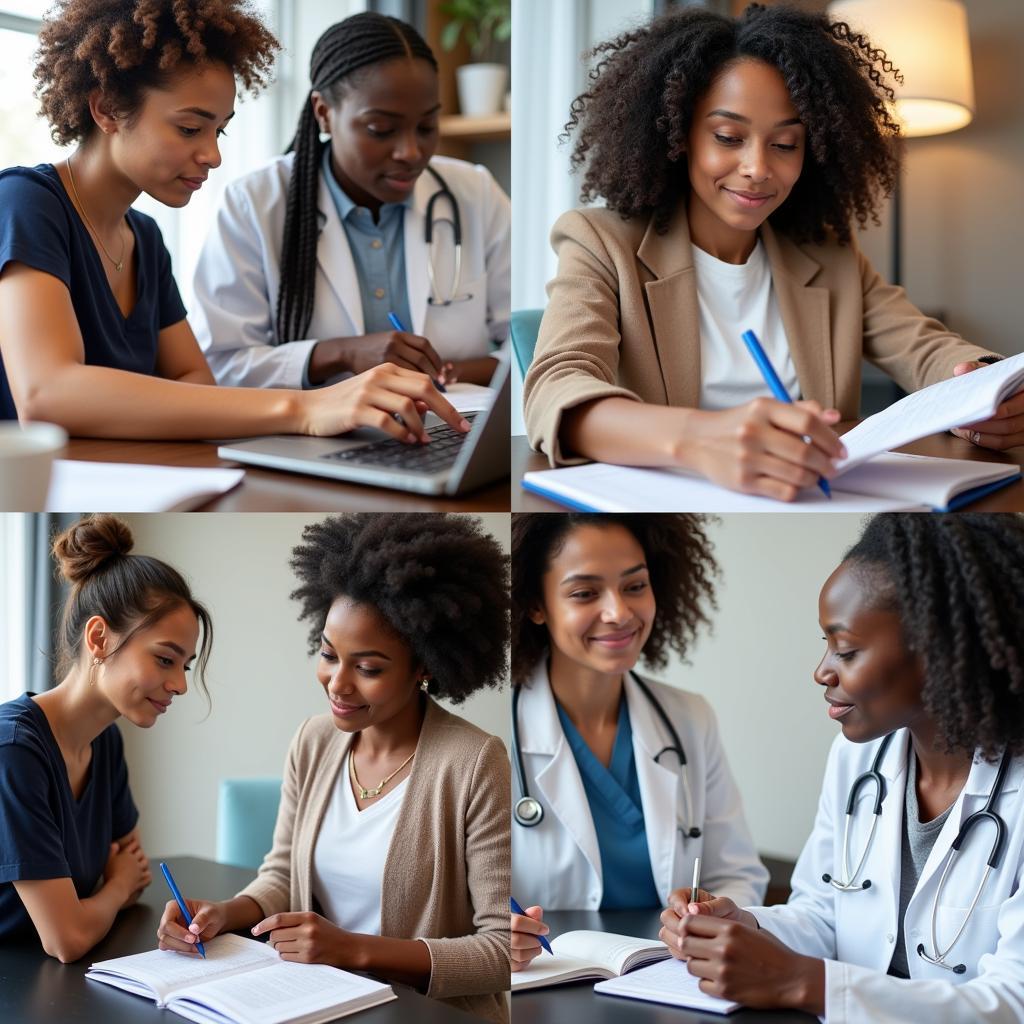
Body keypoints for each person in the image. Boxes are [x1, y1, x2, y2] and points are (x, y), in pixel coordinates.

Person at [524, 5, 1022, 502]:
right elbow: (556, 386)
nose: (758, 167)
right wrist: (697, 440)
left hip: (811, 504)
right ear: (677, 136)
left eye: (785, 143)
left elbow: (927, 348)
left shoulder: (831, 258)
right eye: (728, 137)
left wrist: (988, 391)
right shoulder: (600, 241)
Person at [0, 0, 467, 446]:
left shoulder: (143, 238)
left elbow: (196, 379)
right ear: (105, 110)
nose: (213, 155)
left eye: (218, 130)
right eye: (189, 129)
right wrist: (304, 409)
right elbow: (48, 395)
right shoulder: (26, 202)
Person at [660, 514, 1024, 1021]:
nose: (822, 670)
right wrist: (744, 926)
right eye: (825, 644)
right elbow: (824, 912)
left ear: (937, 653)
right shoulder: (858, 758)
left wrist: (804, 983)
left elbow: (1013, 1002)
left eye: (846, 649)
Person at [157, 513, 511, 1023]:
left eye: (368, 668)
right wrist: (222, 914)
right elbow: (282, 875)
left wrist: (353, 949)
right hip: (317, 1000)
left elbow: (501, 951)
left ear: (425, 666)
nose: (337, 683)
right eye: (328, 654)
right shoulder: (314, 739)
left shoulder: (474, 762)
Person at [191, 12, 511, 391]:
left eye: (426, 127)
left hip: (452, 429)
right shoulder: (254, 204)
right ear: (324, 113)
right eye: (381, 129)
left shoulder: (473, 193)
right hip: (314, 441)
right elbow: (220, 364)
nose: (410, 151)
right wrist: (341, 353)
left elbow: (534, 340)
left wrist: (443, 374)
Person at [510, 513, 767, 972]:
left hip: (669, 975)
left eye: (634, 586)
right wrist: (494, 932)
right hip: (543, 980)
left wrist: (720, 913)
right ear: (535, 604)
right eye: (585, 593)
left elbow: (737, 873)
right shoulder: (495, 733)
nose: (620, 613)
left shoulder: (689, 718)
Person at [0, 514, 212, 962]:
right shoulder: (14, 751)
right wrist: (114, 888)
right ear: (98, 637)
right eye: (164, 659)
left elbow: (135, 872)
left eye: (185, 666)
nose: (180, 685)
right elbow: (68, 937)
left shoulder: (106, 742)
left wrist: (112, 890)